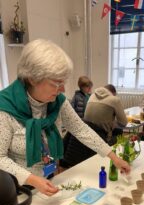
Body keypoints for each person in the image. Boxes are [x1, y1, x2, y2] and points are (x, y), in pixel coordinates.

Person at [0, 39, 130, 196]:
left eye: (63, 82)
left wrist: (113, 157)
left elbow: (80, 129)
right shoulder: (5, 107)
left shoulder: (57, 101)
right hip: (19, 190)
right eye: (56, 83)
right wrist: (32, 179)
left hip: (50, 180)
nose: (62, 89)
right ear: (33, 79)